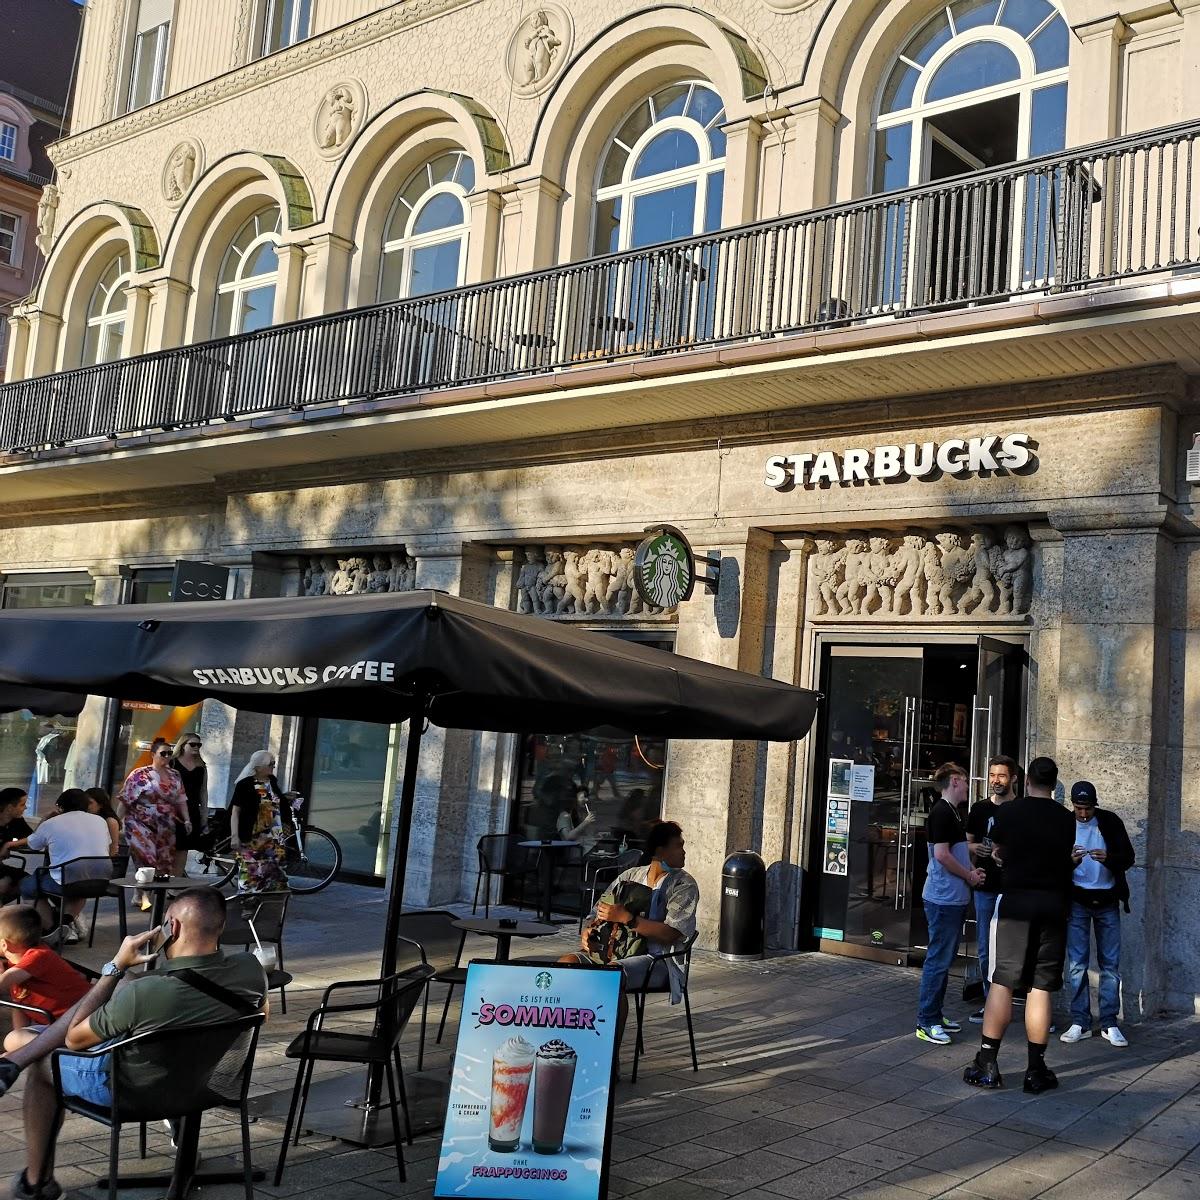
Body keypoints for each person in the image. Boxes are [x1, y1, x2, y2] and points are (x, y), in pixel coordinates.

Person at [0, 888, 267, 1200]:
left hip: (133, 1093)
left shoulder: (146, 993)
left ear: (173, 928)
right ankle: (15, 1060)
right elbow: (260, 1014)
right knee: (115, 1003)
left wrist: (115, 968)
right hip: (207, 1085)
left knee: (46, 1067)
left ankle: (37, 1183)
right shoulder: (252, 969)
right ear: (220, 928)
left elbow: (73, 1039)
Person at [964, 756, 1076, 1094]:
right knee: (1041, 986)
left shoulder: (1010, 812)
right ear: (1054, 784)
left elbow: (998, 848)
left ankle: (987, 1063)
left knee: (1002, 981)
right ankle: (1036, 1069)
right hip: (1054, 905)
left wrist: (1001, 855)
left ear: (1026, 781)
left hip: (1016, 903)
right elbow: (1063, 854)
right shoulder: (1067, 818)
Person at [560, 820, 698, 1051]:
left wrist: (628, 919)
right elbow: (596, 912)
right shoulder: (630, 876)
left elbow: (670, 934)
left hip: (657, 960)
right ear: (660, 851)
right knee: (565, 966)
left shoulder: (684, 885)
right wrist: (588, 932)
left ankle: (607, 1056)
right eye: (678, 846)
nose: (683, 851)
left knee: (610, 976)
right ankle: (572, 1043)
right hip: (610, 950)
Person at [1059, 781, 1136, 1048]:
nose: (1083, 814)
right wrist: (1070, 862)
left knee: (1110, 965)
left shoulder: (1110, 821)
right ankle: (1080, 1020)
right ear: (1072, 805)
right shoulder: (1064, 824)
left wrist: (1110, 858)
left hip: (1107, 900)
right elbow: (1054, 863)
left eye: (1088, 808)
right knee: (1078, 963)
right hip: (1077, 899)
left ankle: (1109, 1022)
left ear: (1095, 805)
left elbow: (1129, 857)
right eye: (1079, 808)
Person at [916, 763, 985, 1044]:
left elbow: (953, 851)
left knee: (942, 960)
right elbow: (942, 855)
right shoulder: (943, 812)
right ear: (955, 781)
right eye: (966, 781)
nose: (969, 787)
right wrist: (969, 874)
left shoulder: (950, 812)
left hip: (950, 898)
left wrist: (972, 870)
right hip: (943, 898)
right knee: (938, 960)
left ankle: (935, 1013)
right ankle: (927, 1020)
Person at [7, 790, 111, 942]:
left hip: (65, 881)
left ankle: (52, 928)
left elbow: (34, 845)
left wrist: (45, 821)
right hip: (101, 881)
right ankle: (65, 923)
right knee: (80, 886)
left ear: (60, 806)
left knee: (28, 886)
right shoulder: (100, 821)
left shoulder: (52, 823)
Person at [966, 755, 1018, 1023]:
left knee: (1016, 948)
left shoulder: (1022, 809)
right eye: (993, 775)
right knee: (986, 948)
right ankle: (990, 1003)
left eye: (1001, 776)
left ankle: (1017, 1000)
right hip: (985, 887)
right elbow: (966, 845)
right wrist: (976, 849)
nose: (996, 781)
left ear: (1014, 779)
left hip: (1014, 889)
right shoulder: (979, 809)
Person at [0, 905, 90, 1051]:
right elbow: (19, 1004)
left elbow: (2, 984)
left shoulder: (38, 956)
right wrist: (18, 1049)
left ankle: (63, 1050)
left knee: (11, 1041)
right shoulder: (13, 967)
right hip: (56, 1025)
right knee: (14, 1040)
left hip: (80, 1021)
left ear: (5, 945)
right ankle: (35, 1051)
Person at [118, 737, 190, 901]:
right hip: (139, 821)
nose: (167, 757)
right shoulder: (139, 774)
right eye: (163, 753)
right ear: (153, 754)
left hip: (166, 823)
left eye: (169, 753)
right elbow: (125, 800)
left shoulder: (175, 775)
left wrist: (186, 820)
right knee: (146, 857)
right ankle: (143, 896)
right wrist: (116, 822)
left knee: (164, 859)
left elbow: (181, 799)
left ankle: (144, 893)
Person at [229, 750, 289, 893]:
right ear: (258, 766)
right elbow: (235, 811)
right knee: (250, 873)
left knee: (274, 873)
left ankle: (269, 905)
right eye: (271, 764)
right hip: (252, 836)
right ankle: (248, 904)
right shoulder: (245, 784)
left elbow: (272, 803)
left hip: (274, 837)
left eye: (274, 763)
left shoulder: (272, 782)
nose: (273, 766)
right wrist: (234, 835)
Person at [169, 733, 208, 876]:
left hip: (192, 810)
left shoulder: (201, 766)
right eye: (193, 744)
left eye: (199, 745)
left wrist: (204, 813)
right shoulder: (172, 763)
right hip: (173, 810)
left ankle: (175, 883)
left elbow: (203, 791)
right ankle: (165, 882)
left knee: (183, 848)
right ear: (183, 745)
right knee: (169, 846)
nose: (196, 747)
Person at [0, 788, 34, 903]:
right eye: (22, 804)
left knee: (29, 881)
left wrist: (9, 844)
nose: (25, 808)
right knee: (4, 883)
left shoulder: (17, 821)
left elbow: (32, 839)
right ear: (10, 808)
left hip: (1, 868)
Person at [84, 789, 121, 857]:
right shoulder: (84, 818)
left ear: (101, 804)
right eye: (83, 802)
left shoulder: (110, 821)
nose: (85, 806)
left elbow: (113, 848)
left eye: (89, 803)